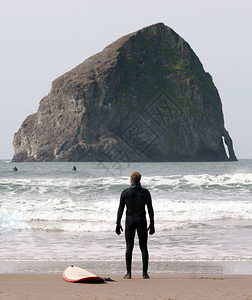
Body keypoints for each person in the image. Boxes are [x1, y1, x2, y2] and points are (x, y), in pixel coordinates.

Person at [115, 171, 155, 279]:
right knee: (144, 247)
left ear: (131, 180)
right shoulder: (145, 193)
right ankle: (145, 273)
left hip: (130, 222)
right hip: (142, 220)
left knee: (129, 247)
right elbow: (150, 209)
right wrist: (152, 224)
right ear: (139, 180)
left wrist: (117, 223)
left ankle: (128, 273)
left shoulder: (125, 193)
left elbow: (120, 210)